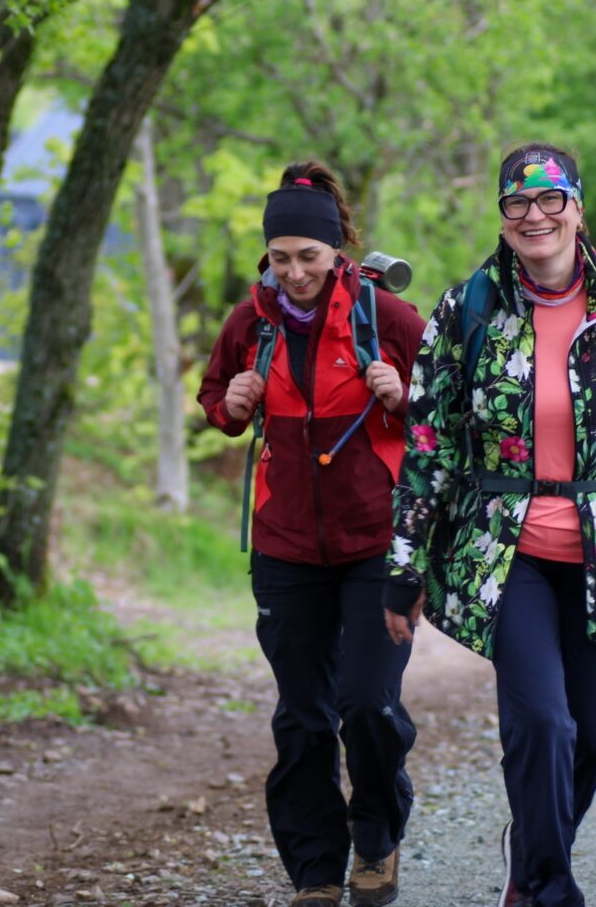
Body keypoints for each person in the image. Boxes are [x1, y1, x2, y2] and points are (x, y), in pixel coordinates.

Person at [383, 143, 596, 907]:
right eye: (517, 202)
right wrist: (405, 567)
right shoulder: (468, 309)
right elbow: (429, 444)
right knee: (542, 728)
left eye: (550, 199)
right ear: (503, 216)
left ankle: (530, 848)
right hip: (510, 554)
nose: (534, 215)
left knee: (595, 736)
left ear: (577, 210)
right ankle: (549, 888)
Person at [197, 163, 427, 907]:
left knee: (368, 705)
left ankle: (378, 836)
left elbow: (453, 409)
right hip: (286, 546)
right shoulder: (251, 321)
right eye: (280, 257)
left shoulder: (387, 317)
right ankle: (316, 870)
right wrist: (231, 405)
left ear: (337, 250)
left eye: (309, 256)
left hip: (377, 543)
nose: (294, 272)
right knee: (302, 718)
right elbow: (215, 397)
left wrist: (405, 397)